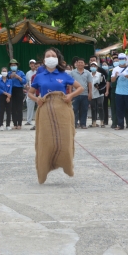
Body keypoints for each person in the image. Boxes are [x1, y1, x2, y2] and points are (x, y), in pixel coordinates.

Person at [28, 48, 83, 183]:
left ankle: (67, 165)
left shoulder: (64, 75)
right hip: (45, 110)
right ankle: (44, 170)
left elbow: (80, 87)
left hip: (62, 110)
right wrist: (37, 99)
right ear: (44, 60)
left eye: (53, 55)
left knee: (65, 139)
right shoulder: (39, 76)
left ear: (57, 59)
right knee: (45, 141)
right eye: (48, 56)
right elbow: (30, 93)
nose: (51, 57)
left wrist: (70, 95)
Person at [111, 53, 128, 130]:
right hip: (119, 92)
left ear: (126, 59)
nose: (121, 60)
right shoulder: (115, 69)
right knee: (119, 109)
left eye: (123, 59)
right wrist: (116, 76)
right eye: (120, 59)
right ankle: (120, 125)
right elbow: (112, 80)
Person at [70, 57, 93, 129]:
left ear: (84, 64)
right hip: (75, 94)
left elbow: (89, 83)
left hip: (85, 94)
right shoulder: (72, 72)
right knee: (74, 109)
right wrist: (70, 94)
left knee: (84, 109)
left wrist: (90, 93)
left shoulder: (88, 73)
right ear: (76, 64)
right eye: (78, 62)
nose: (80, 64)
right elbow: (70, 84)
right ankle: (74, 124)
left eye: (81, 62)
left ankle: (83, 124)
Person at [7, 59, 26, 129]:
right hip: (11, 90)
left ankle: (19, 124)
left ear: (17, 66)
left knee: (19, 107)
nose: (13, 66)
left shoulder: (21, 72)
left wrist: (18, 77)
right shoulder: (8, 73)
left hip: (19, 90)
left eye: (14, 65)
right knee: (13, 108)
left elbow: (24, 81)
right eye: (12, 65)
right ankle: (15, 123)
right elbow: (5, 81)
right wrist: (10, 77)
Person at [89, 61, 106, 127]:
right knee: (93, 108)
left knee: (100, 107)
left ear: (97, 67)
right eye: (92, 66)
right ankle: (94, 122)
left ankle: (102, 121)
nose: (93, 67)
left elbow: (104, 83)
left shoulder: (100, 75)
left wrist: (99, 87)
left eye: (94, 66)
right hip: (91, 93)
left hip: (99, 94)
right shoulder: (88, 74)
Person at [25, 59, 37, 125]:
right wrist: (26, 86)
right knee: (29, 106)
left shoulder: (38, 72)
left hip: (37, 91)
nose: (32, 65)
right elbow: (26, 82)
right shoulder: (28, 73)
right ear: (29, 65)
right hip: (30, 91)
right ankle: (29, 121)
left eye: (33, 63)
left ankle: (38, 121)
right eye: (31, 64)